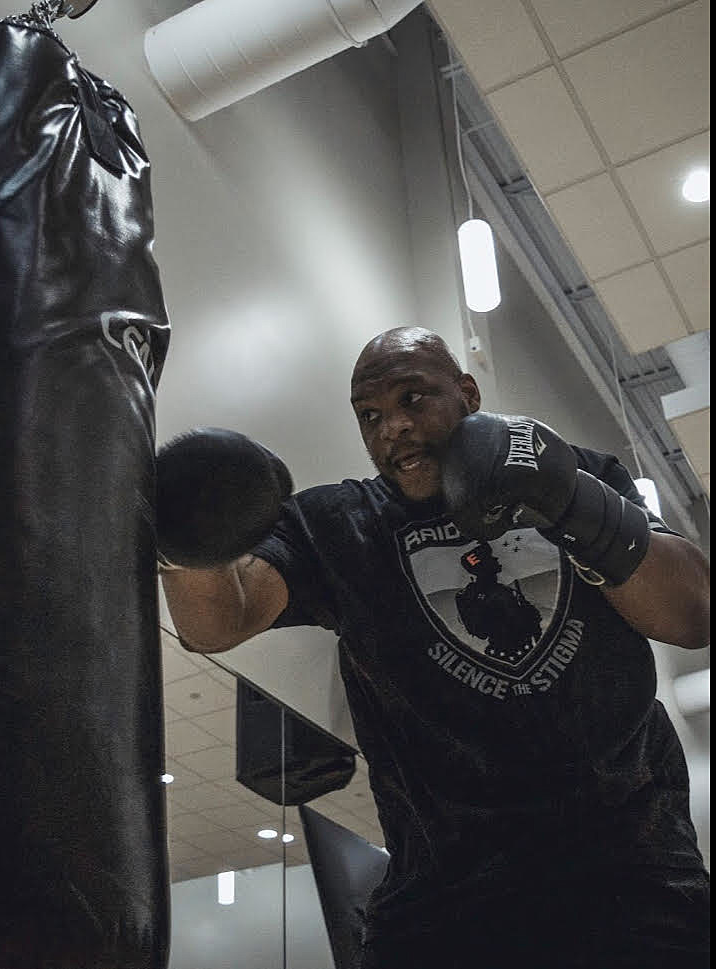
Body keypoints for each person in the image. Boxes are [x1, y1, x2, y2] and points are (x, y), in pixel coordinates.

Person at [160, 326, 710, 968]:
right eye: (370, 416)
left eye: (413, 398)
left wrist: (570, 503)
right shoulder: (339, 524)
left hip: (636, 878)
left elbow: (694, 614)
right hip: (445, 903)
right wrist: (188, 545)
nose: (390, 427)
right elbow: (219, 622)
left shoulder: (578, 474)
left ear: (468, 393)